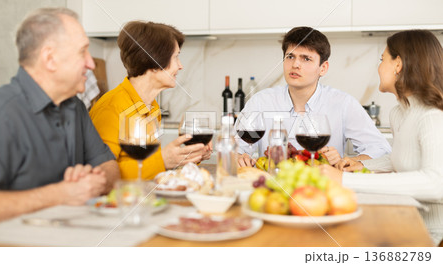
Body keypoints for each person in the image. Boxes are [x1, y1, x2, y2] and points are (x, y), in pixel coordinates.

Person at [0, 8, 120, 223]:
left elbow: (111, 169)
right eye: (83, 52)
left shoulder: (75, 106)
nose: (91, 63)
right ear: (50, 59)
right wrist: (61, 194)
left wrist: (92, 181)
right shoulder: (0, 113)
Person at [321, 30, 443, 245]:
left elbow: (436, 184)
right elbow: (405, 156)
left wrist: (345, 180)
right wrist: (360, 164)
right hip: (407, 220)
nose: (378, 67)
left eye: (382, 59)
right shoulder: (400, 113)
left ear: (398, 65)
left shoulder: (432, 117)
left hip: (432, 236)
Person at [237, 26, 391, 167]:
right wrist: (239, 157)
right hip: (272, 186)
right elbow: (234, 147)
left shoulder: (343, 103)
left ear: (323, 68)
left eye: (306, 58)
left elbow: (381, 149)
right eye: (290, 56)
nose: (295, 64)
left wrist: (345, 161)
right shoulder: (260, 101)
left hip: (324, 188)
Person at [89, 21, 212, 181]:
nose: (180, 66)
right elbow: (101, 174)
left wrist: (186, 157)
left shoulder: (152, 107)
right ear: (155, 62)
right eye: (176, 57)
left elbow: (147, 166)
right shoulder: (111, 107)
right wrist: (163, 160)